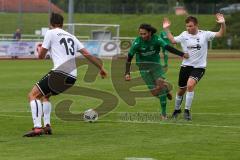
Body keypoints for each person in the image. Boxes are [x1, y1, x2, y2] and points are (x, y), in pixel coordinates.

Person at [23, 13, 107, 137]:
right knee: (45, 96)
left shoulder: (50, 33)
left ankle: (37, 128)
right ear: (62, 24)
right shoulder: (72, 36)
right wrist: (100, 67)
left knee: (33, 95)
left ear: (50, 24)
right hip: (72, 77)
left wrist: (38, 49)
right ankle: (47, 126)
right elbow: (86, 54)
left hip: (59, 73)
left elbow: (41, 56)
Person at [163, 13, 226, 120]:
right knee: (181, 90)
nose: (188, 28)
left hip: (199, 67)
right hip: (185, 66)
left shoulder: (205, 34)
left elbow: (220, 34)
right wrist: (166, 29)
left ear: (196, 25)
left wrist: (223, 24)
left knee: (190, 85)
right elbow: (173, 40)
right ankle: (177, 109)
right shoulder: (184, 35)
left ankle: (187, 111)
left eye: (191, 26)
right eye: (187, 26)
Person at [124, 23, 189, 119]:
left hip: (156, 67)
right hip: (143, 68)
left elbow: (167, 47)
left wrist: (182, 54)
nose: (142, 36)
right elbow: (129, 57)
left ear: (150, 33)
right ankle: (166, 90)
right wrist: (127, 73)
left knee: (160, 86)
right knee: (154, 93)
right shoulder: (137, 43)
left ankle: (163, 114)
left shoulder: (156, 39)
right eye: (140, 34)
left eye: (144, 34)